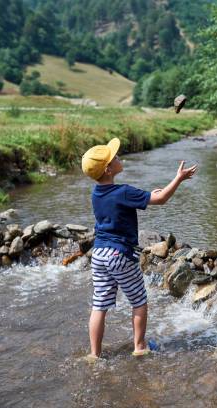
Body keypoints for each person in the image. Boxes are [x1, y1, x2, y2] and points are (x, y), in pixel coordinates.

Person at [81, 138, 197, 359]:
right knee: (139, 301)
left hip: (99, 253)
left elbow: (122, 205)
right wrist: (179, 178)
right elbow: (161, 199)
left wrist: (146, 196)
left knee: (99, 305)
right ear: (108, 169)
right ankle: (140, 346)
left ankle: (94, 355)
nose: (118, 157)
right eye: (114, 157)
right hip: (119, 254)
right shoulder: (124, 191)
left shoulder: (96, 193)